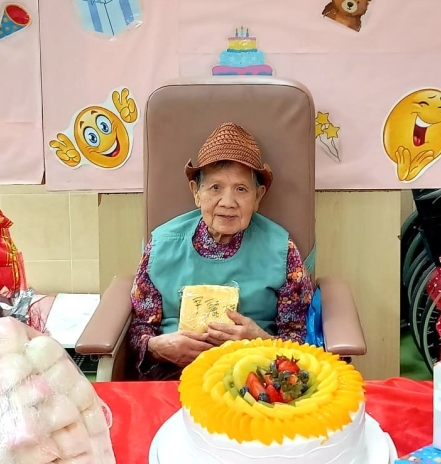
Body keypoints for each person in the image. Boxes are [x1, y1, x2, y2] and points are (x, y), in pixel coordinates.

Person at [128, 122, 314, 380]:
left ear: (258, 197)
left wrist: (260, 341)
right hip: (175, 375)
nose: (228, 202)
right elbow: (138, 330)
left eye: (241, 189)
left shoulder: (282, 250)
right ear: (196, 192)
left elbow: (301, 339)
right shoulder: (162, 245)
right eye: (215, 187)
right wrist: (157, 348)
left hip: (257, 377)